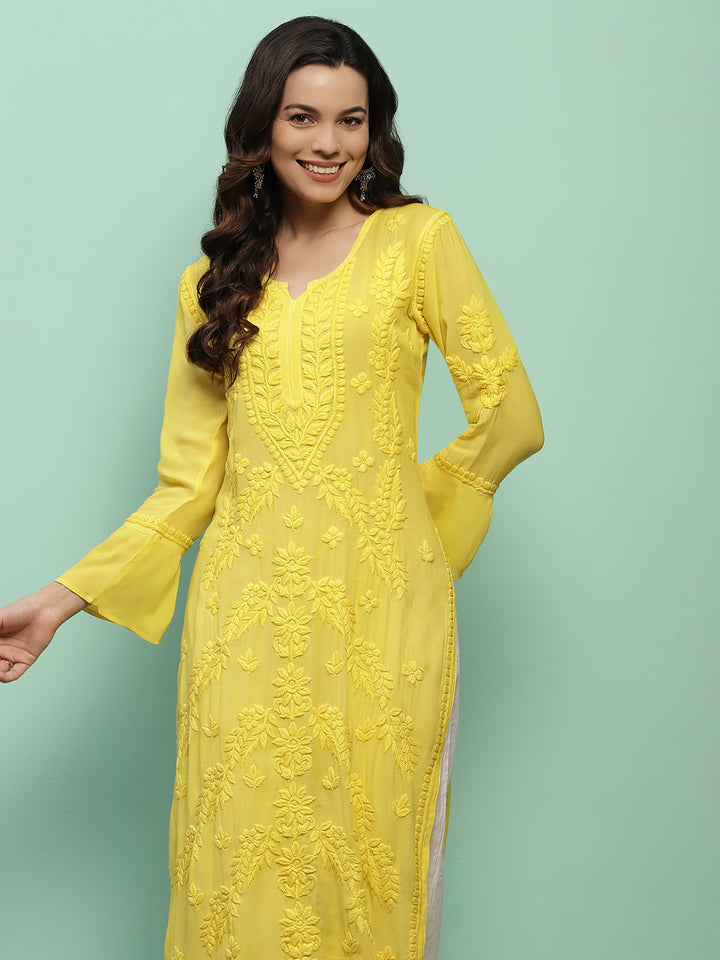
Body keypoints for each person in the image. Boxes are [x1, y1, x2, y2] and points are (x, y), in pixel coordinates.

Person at [0, 15, 543, 960]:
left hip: (381, 614)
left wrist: (408, 535)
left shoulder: (419, 242)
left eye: (351, 120)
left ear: (375, 131)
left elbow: (511, 417)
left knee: (367, 861)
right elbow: (184, 488)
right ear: (263, 125)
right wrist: (58, 600)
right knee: (235, 863)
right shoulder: (210, 285)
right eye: (303, 117)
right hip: (241, 624)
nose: (328, 143)